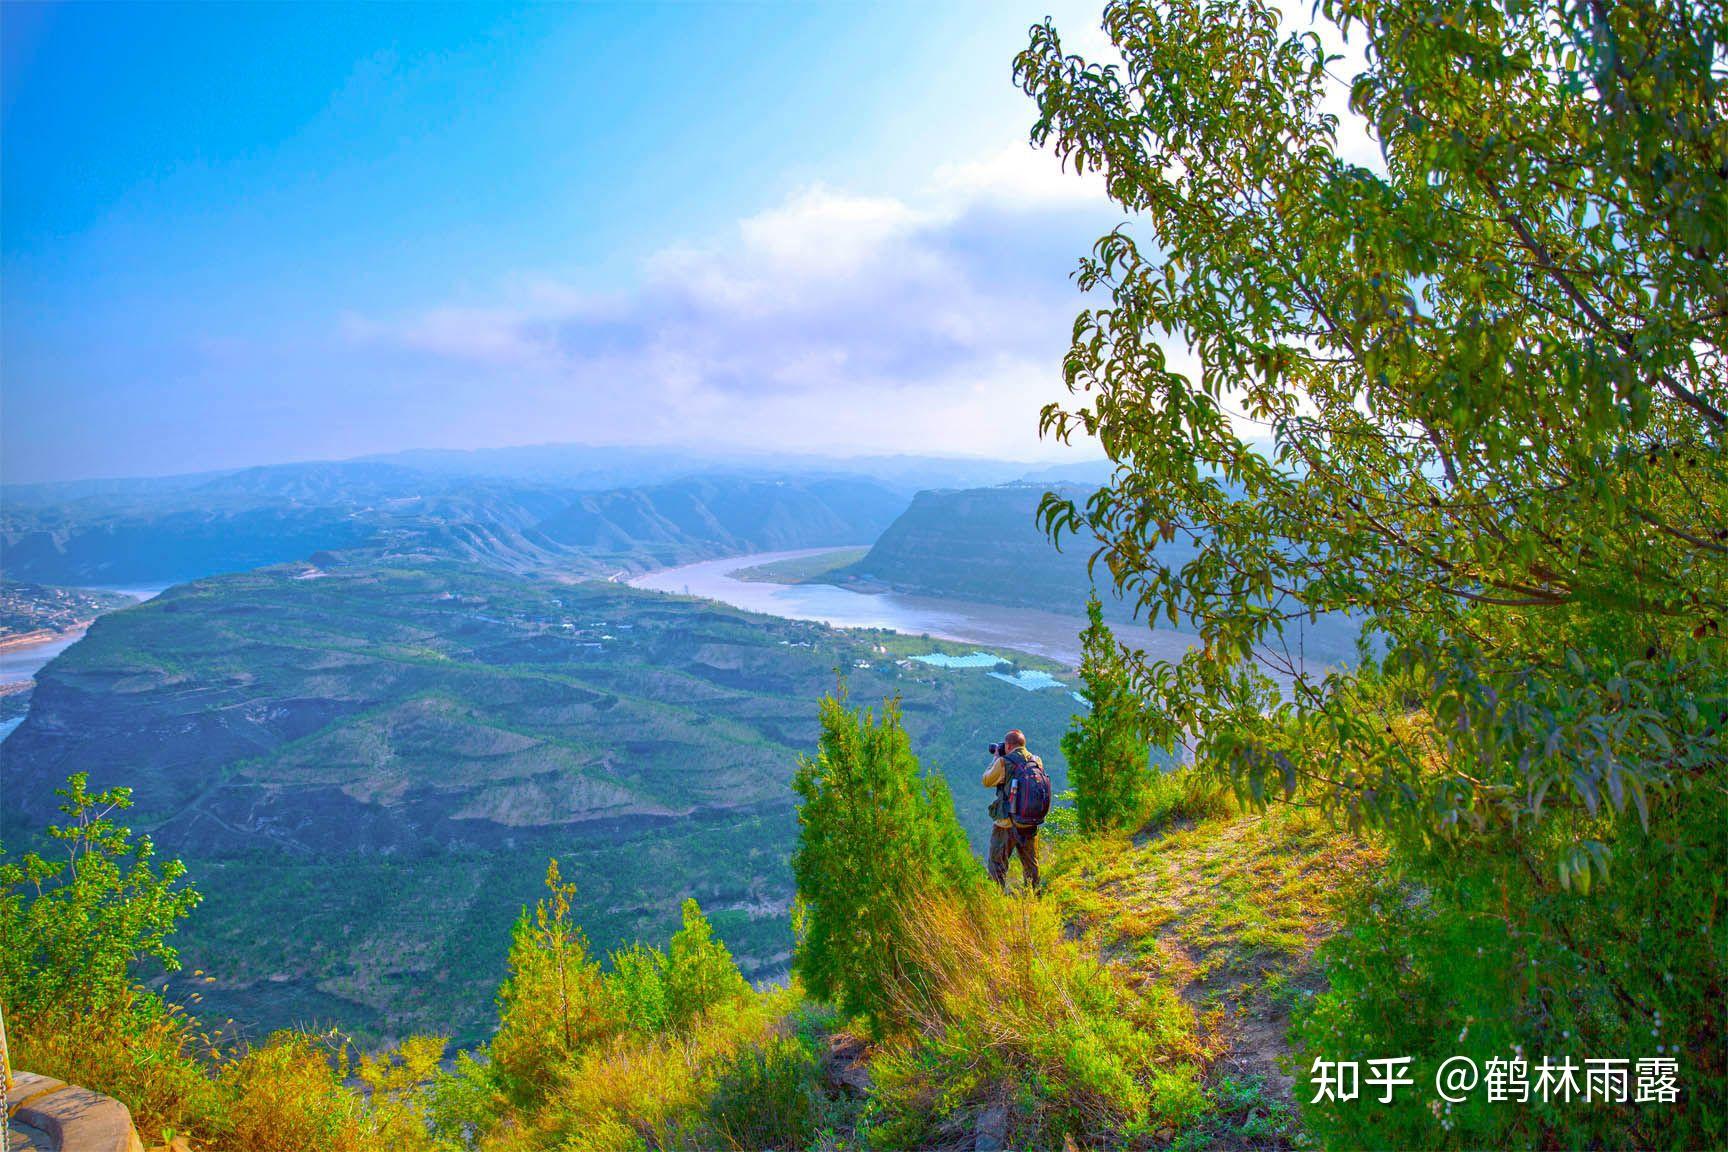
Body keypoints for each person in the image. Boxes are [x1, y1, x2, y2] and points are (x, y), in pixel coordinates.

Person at [981, 729, 1045, 891]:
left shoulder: (1004, 762)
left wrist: (996, 757)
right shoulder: (1036, 760)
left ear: (1008, 745)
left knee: (997, 864)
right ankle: (1033, 897)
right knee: (1031, 864)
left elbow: (987, 780)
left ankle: (996, 900)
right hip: (1029, 821)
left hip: (1006, 823)